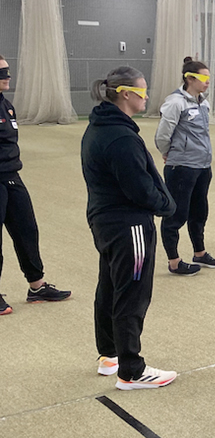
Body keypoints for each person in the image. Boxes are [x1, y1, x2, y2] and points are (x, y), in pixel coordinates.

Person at [81, 67, 177, 389]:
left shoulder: (101, 126)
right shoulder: (120, 137)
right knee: (132, 294)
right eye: (142, 91)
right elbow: (140, 188)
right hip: (128, 225)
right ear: (125, 94)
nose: (146, 97)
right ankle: (131, 371)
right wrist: (167, 207)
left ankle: (109, 355)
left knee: (109, 286)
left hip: (106, 221)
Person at [0, 54, 72, 316]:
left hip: (12, 176)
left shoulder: (7, 105)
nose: (7, 77)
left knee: (27, 230)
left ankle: (37, 286)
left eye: (7, 71)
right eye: (2, 72)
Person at [155, 58, 215, 276]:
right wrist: (169, 153)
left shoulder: (204, 102)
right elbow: (163, 134)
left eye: (208, 78)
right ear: (189, 78)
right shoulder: (175, 102)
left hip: (202, 166)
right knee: (176, 214)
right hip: (181, 167)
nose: (207, 83)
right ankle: (174, 261)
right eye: (203, 78)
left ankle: (200, 253)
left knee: (199, 211)